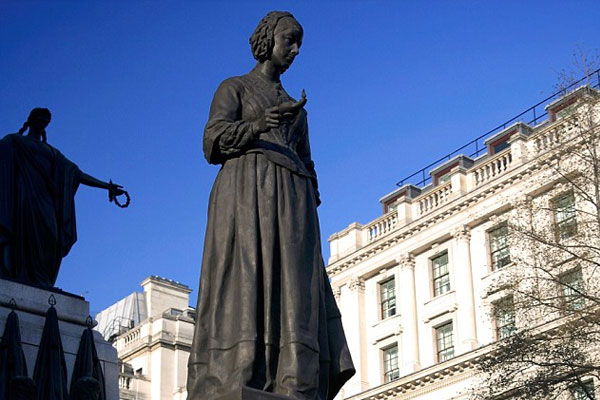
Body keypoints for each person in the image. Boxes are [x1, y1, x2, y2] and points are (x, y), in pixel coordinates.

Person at [187, 11, 355, 400]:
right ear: (267, 41)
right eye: (289, 40)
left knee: (296, 290)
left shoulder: (298, 109)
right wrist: (259, 124)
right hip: (247, 194)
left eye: (299, 43)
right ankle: (245, 369)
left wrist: (308, 194)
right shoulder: (235, 87)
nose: (294, 50)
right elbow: (212, 142)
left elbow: (308, 162)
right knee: (248, 280)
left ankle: (294, 380)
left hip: (294, 205)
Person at [0, 107, 126, 289]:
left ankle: (41, 279)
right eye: (41, 118)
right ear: (31, 120)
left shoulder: (52, 152)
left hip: (45, 200)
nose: (43, 122)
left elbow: (76, 173)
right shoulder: (14, 141)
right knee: (22, 234)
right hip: (23, 198)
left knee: (51, 236)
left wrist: (107, 186)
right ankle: (19, 274)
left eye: (47, 121)